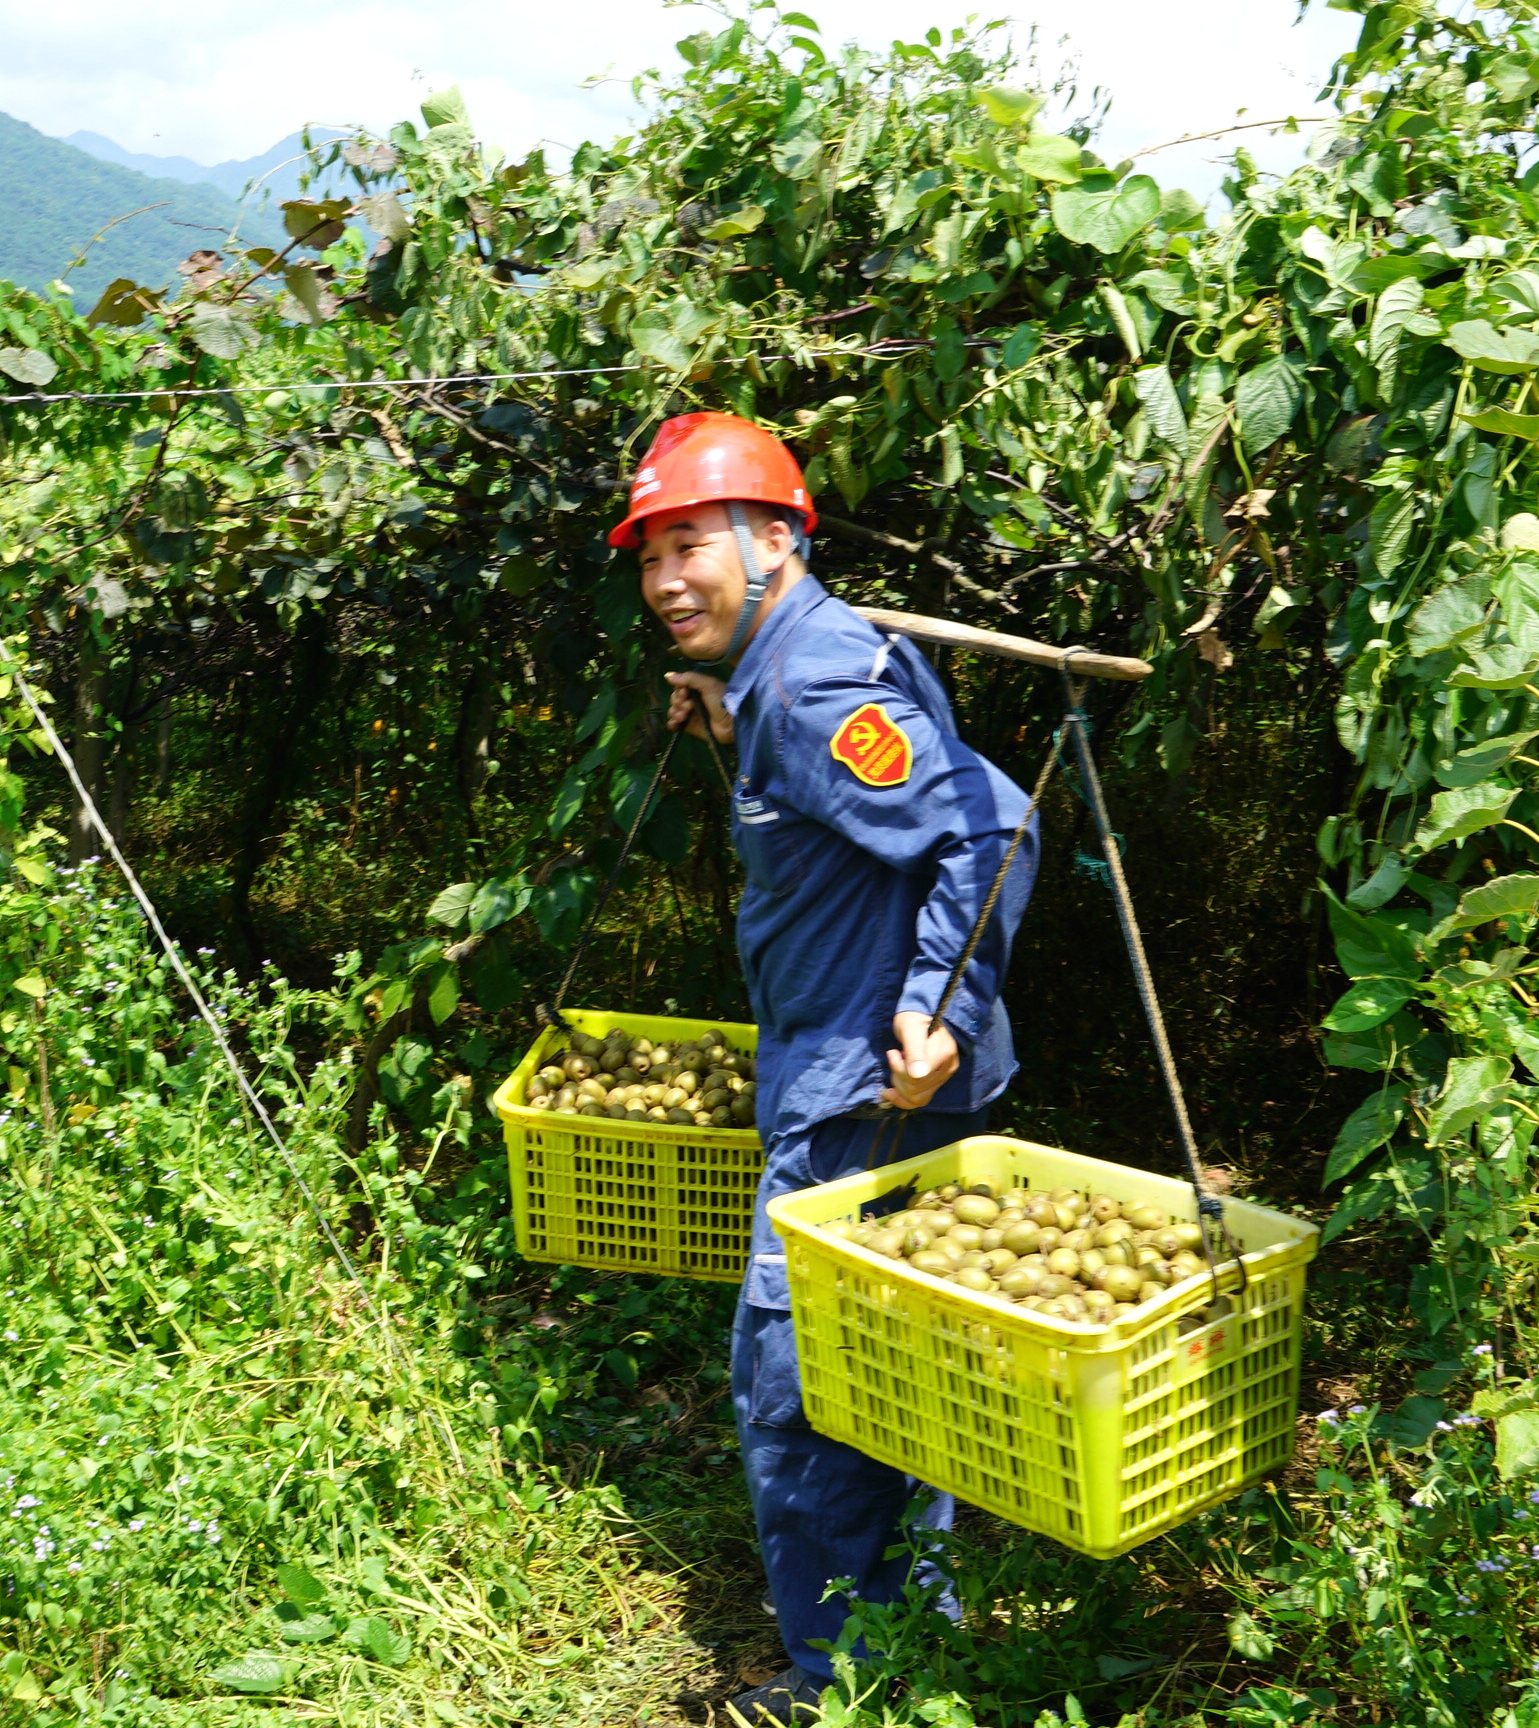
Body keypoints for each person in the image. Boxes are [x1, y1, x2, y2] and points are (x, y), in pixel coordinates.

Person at [612, 412, 1039, 1725]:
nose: (666, 578)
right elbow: (860, 836)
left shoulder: (808, 685)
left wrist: (939, 1008)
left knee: (799, 1388)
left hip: (863, 1092)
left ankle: (835, 1687)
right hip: (833, 1074)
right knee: (897, 1373)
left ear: (773, 544)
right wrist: (735, 736)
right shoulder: (779, 682)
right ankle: (913, 1657)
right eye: (649, 554)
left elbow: (994, 829)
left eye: (691, 543)